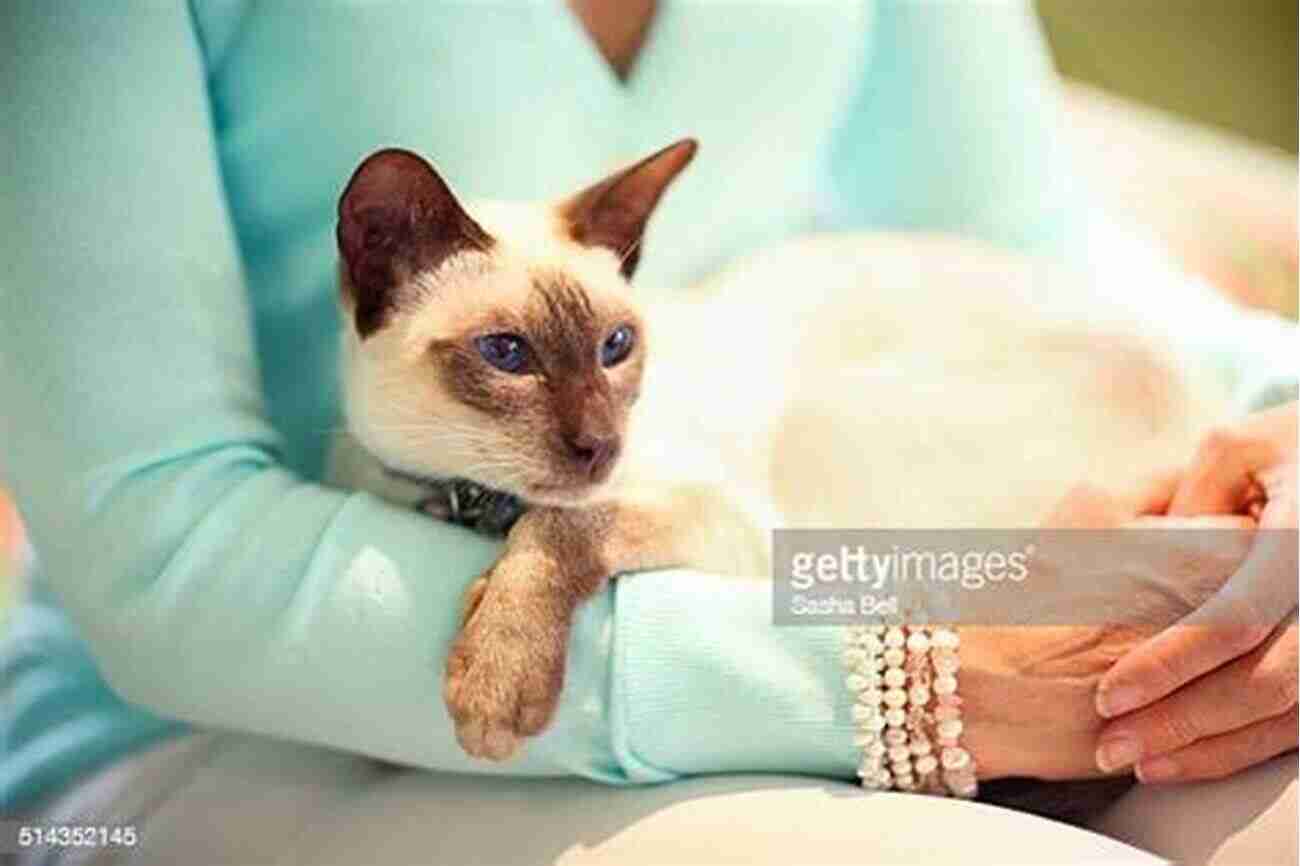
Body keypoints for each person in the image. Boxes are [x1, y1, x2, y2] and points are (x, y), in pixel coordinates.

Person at [1, 1, 1294, 863]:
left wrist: (1287, 421)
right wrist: (897, 676)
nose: (584, 423)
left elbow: (1039, 260)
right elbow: (155, 543)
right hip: (241, 713)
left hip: (809, 588)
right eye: (512, 363)